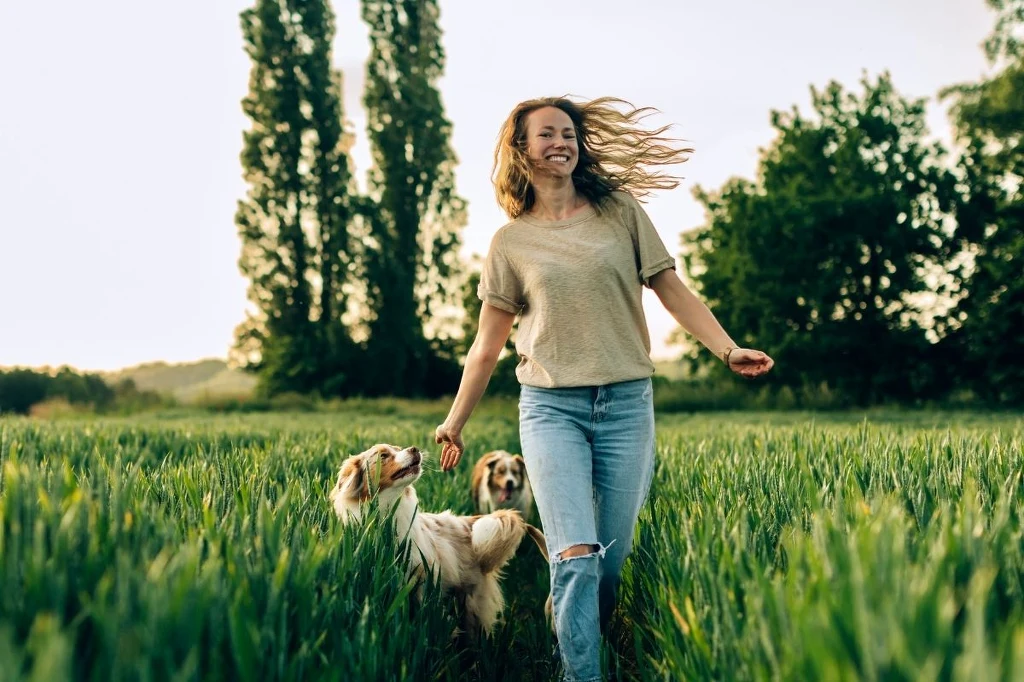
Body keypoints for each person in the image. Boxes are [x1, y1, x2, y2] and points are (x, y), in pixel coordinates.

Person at [434, 95, 774, 682]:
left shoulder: (620, 212)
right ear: (522, 149)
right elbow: (486, 346)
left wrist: (727, 348)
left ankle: (571, 616)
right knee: (576, 554)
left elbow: (672, 289)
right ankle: (581, 674)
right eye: (546, 134)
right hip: (551, 408)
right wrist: (455, 422)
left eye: (568, 133)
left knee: (607, 564)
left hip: (626, 405)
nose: (560, 142)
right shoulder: (511, 243)